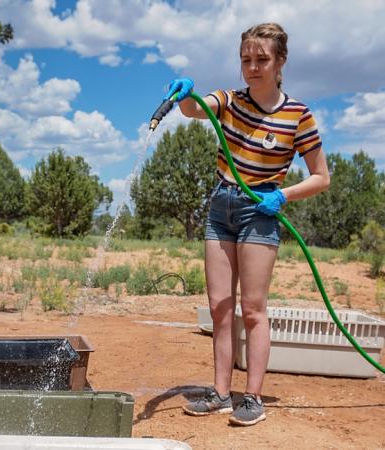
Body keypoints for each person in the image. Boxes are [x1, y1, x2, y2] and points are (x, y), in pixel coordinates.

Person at [165, 23, 330, 426]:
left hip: (262, 209)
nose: (253, 67)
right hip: (221, 206)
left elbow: (321, 177)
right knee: (220, 308)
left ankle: (252, 397)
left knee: (253, 309)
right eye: (246, 60)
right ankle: (221, 392)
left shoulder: (298, 115)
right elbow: (193, 110)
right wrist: (186, 95)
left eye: (262, 60)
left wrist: (283, 195)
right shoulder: (229, 100)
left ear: (280, 63)